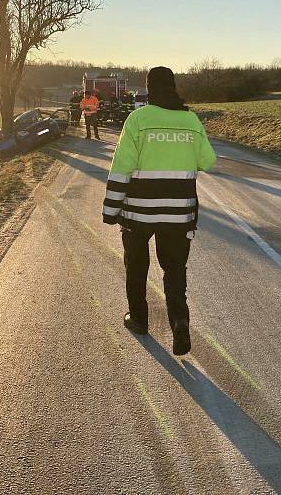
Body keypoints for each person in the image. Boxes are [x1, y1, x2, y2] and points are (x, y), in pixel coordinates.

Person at [101, 66, 216, 355]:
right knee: (174, 269)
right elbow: (208, 161)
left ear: (149, 88)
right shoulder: (191, 120)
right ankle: (179, 320)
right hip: (179, 214)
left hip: (138, 214)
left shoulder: (138, 119)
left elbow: (121, 169)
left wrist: (110, 209)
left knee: (137, 267)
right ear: (174, 86)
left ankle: (139, 319)